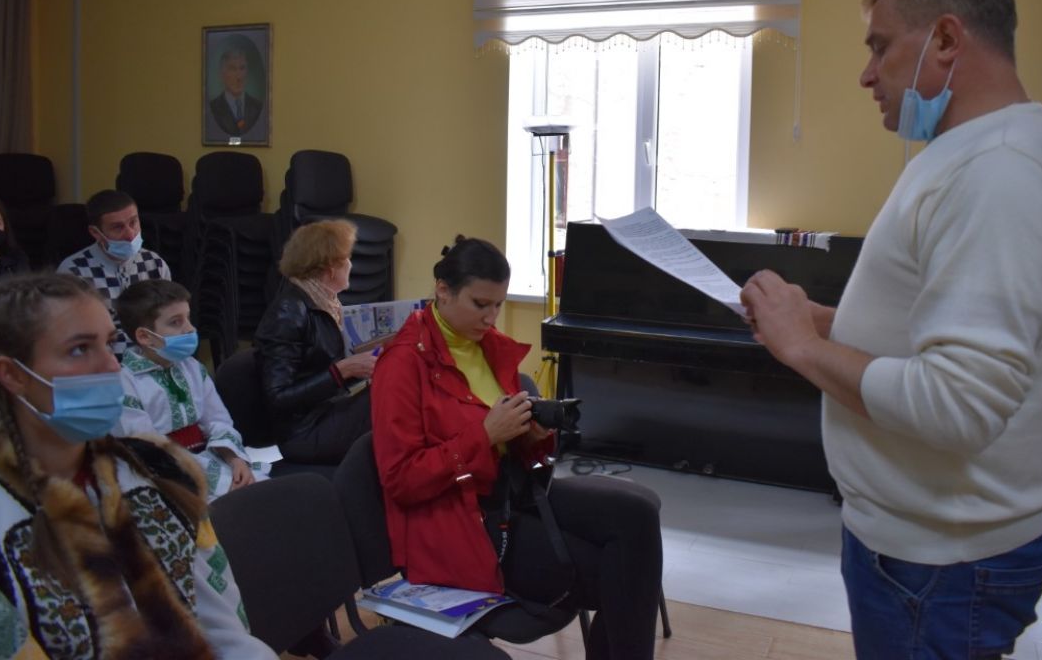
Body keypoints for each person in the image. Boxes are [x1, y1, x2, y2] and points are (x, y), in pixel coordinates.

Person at [739, 0, 1042, 660]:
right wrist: (820, 322)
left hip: (941, 565)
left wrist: (804, 349)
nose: (867, 74)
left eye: (880, 47)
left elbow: (958, 405)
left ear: (946, 39)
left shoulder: (1001, 173)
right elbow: (932, 334)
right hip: (927, 550)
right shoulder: (978, 152)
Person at [371, 237, 663, 660]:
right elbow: (400, 480)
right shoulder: (401, 364)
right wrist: (485, 435)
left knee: (636, 516)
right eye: (480, 304)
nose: (491, 318)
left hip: (511, 493)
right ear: (443, 290)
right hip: (460, 520)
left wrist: (530, 436)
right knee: (619, 573)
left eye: (499, 304)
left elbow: (509, 448)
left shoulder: (486, 345)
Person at [0, 273, 276, 658]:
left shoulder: (158, 469)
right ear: (12, 375)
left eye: (109, 343)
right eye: (80, 349)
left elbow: (221, 623)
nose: (111, 365)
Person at [112, 279, 267, 501]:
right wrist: (219, 480)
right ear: (145, 337)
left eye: (188, 318)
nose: (190, 328)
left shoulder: (191, 367)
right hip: (166, 478)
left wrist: (234, 460)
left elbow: (217, 420)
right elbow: (148, 450)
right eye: (176, 322)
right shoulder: (125, 383)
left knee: (267, 494)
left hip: (212, 460)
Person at [253, 220, 374, 464]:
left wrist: (363, 367)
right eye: (347, 258)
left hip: (326, 412)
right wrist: (342, 370)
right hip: (303, 432)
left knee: (395, 387)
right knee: (392, 397)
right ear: (330, 268)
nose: (351, 265)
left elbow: (326, 374)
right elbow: (278, 397)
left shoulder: (324, 303)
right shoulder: (288, 311)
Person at [57, 189, 171, 359]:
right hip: (102, 362)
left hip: (150, 359)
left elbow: (166, 320)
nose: (130, 234)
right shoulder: (74, 271)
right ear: (96, 233)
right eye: (118, 227)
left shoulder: (154, 263)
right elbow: (71, 335)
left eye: (133, 222)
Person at [208, 47, 263, 137]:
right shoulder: (213, 109)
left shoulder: (257, 107)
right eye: (232, 69)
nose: (239, 77)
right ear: (222, 75)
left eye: (242, 68)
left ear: (247, 72)